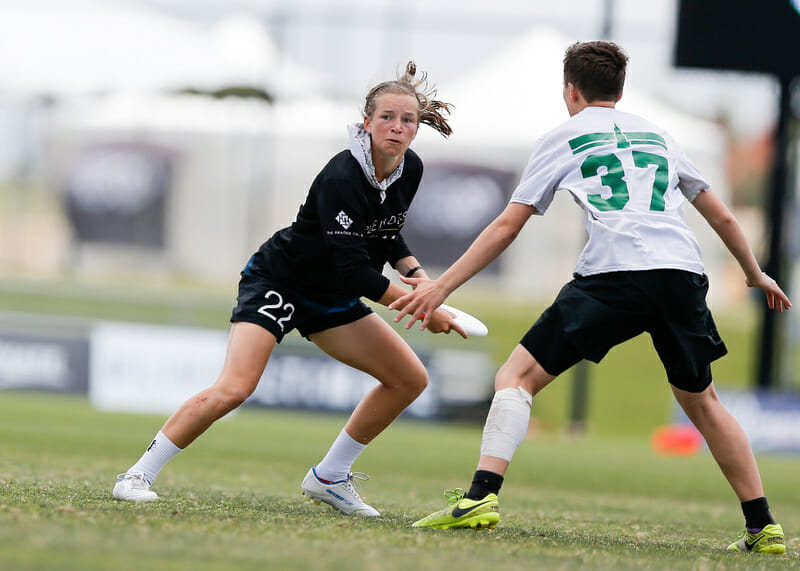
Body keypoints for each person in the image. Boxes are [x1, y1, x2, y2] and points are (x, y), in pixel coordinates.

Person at [390, 41, 791, 553]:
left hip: (616, 275)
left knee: (516, 377)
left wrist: (441, 286)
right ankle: (764, 527)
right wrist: (754, 273)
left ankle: (480, 498)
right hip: (680, 274)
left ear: (570, 90)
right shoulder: (660, 134)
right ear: (620, 90)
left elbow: (508, 224)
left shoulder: (563, 135)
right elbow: (723, 215)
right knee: (704, 402)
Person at [112, 61, 466, 517]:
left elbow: (386, 234)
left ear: (418, 128)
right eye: (386, 118)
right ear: (366, 122)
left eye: (407, 120)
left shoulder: (409, 169)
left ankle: (329, 477)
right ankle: (136, 475)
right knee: (236, 387)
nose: (397, 128)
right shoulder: (342, 176)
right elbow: (358, 272)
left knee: (409, 379)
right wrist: (423, 305)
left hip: (330, 294)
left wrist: (420, 280)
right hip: (280, 281)